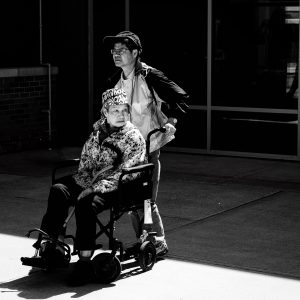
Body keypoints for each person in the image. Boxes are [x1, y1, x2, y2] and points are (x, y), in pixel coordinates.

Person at [27, 87, 147, 286]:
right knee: (59, 189)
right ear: (105, 112)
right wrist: (83, 181)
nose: (121, 114)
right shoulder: (97, 133)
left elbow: (130, 170)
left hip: (117, 187)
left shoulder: (133, 137)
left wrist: (95, 188)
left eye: (124, 110)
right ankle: (53, 246)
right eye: (115, 110)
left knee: (85, 204)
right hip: (90, 179)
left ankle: (84, 263)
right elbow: (86, 161)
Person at [102, 31, 189, 256]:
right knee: (131, 200)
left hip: (149, 147)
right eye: (114, 51)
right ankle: (145, 241)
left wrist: (170, 121)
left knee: (145, 199)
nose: (116, 55)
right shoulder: (115, 82)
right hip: (125, 151)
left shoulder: (150, 76)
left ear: (135, 52)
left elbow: (178, 97)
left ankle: (157, 241)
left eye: (121, 50)